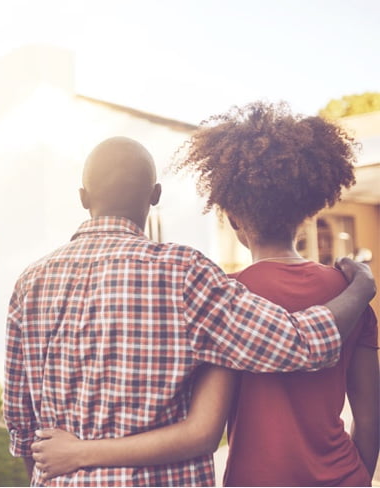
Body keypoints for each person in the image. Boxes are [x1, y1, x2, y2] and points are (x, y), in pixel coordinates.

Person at [30, 105, 379, 486]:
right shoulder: (349, 295)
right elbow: (370, 413)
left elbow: (203, 427)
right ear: (306, 210)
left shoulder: (224, 294)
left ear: (230, 217)